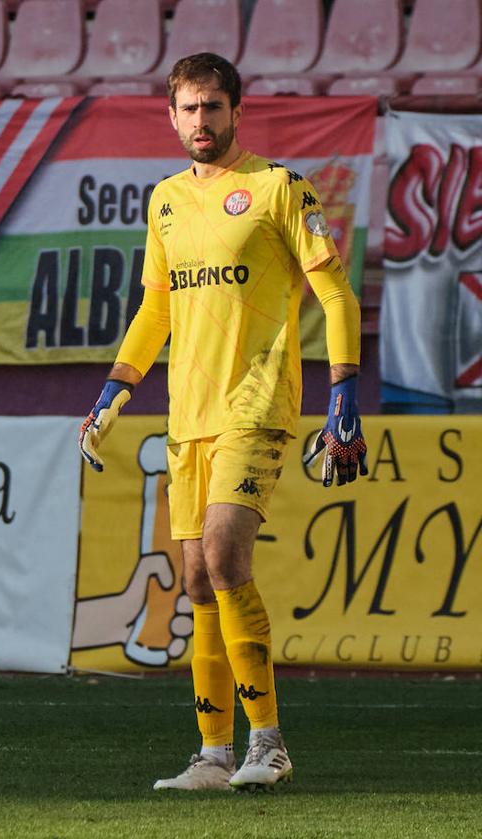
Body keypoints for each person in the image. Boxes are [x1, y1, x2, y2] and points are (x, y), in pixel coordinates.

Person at [77, 52, 368, 793]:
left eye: (212, 107)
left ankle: (266, 742)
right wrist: (116, 387)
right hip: (187, 417)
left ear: (237, 110)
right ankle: (212, 754)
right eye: (188, 109)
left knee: (225, 554)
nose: (200, 121)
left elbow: (334, 294)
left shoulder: (278, 189)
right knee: (198, 582)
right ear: (170, 116)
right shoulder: (166, 200)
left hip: (259, 404)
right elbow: (157, 308)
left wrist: (343, 393)